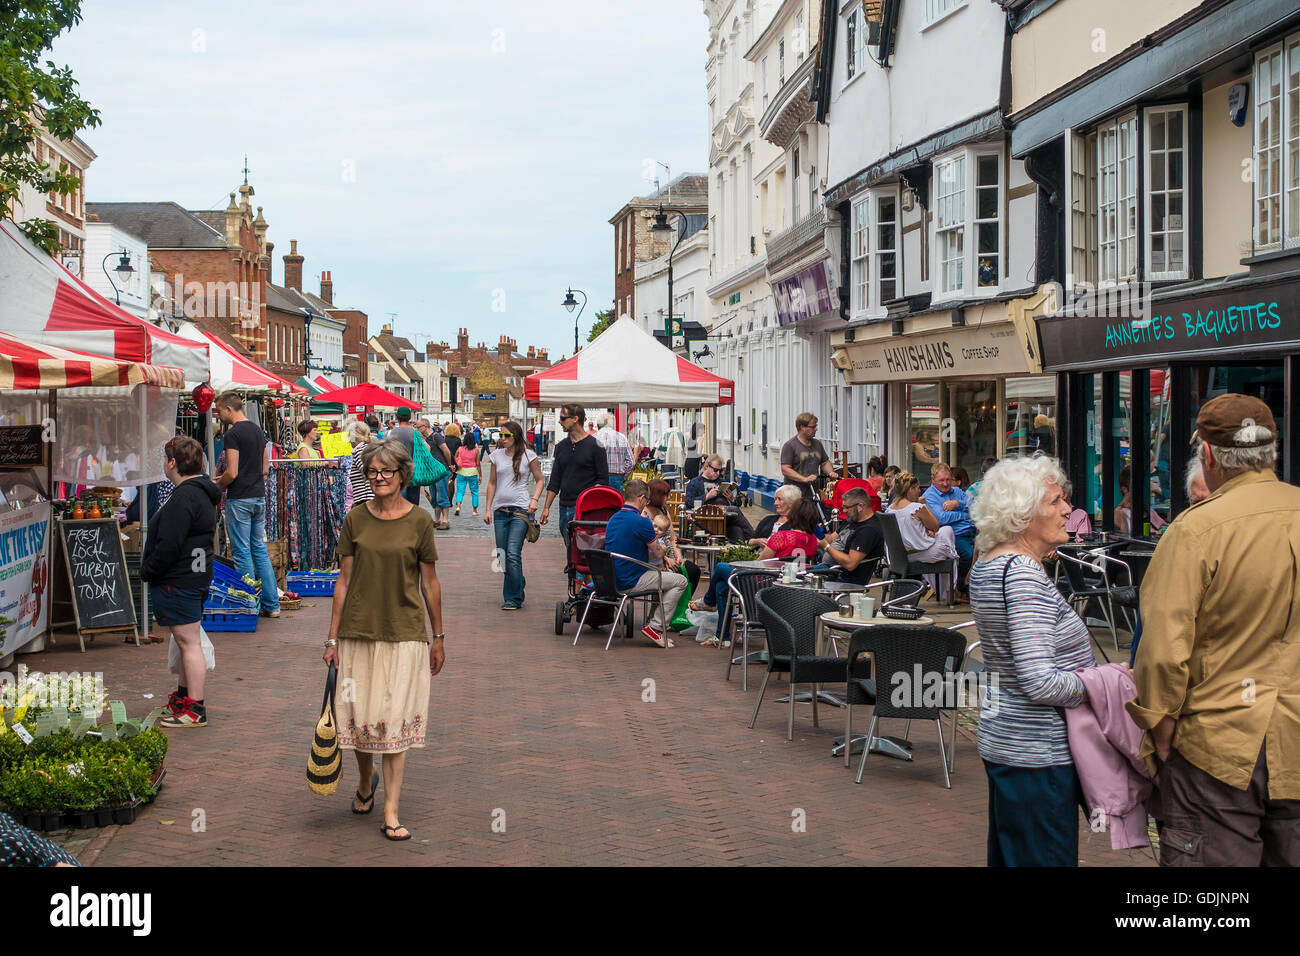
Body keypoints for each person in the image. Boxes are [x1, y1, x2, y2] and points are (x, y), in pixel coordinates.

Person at [1129, 394, 1300, 866]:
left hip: (1217, 741)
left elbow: (1162, 652)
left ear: (1207, 455)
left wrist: (1162, 731)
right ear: (1272, 451)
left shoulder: (1195, 530)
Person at [968, 455, 1095, 867]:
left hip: (1007, 742)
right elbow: (1039, 681)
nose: (1067, 511)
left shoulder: (988, 562)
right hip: (1038, 753)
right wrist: (1103, 682)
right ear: (1022, 514)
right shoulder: (1022, 572)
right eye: (1055, 502)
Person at [324, 438, 444, 842]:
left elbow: (430, 583)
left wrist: (438, 636)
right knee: (360, 721)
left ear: (402, 475)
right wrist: (331, 636)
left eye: (386, 471)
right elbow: (342, 581)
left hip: (405, 634)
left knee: (393, 723)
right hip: (357, 633)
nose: (378, 478)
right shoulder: (355, 519)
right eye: (372, 471)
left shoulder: (420, 521)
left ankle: (391, 810)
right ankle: (364, 779)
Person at [141, 436, 220, 728]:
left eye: (165, 458)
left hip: (181, 579)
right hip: (192, 576)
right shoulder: (198, 493)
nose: (163, 463)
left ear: (173, 463)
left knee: (189, 642)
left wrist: (149, 569)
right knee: (188, 640)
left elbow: (169, 544)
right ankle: (186, 699)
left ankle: (195, 708)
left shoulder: (186, 496)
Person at [213, 392, 279, 618]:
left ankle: (249, 603)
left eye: (219, 410)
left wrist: (217, 484)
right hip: (259, 496)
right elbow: (265, 469)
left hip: (240, 498)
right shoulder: (257, 430)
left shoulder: (233, 435)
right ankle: (272, 605)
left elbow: (231, 472)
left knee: (241, 553)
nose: (218, 415)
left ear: (228, 409)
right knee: (259, 550)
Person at [602, 478, 688, 648]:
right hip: (630, 580)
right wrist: (663, 553)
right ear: (641, 499)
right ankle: (655, 627)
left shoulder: (613, 518)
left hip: (612, 578)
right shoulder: (641, 521)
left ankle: (654, 624)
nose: (646, 503)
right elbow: (657, 551)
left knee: (662, 577)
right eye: (646, 500)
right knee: (680, 581)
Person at [482, 421, 543, 610]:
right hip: (500, 510)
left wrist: (534, 500)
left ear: (515, 436)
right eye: (500, 435)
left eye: (506, 436)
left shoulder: (528, 455)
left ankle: (513, 598)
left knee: (513, 553)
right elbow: (492, 482)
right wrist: (487, 508)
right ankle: (518, 581)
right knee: (502, 556)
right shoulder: (496, 456)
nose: (502, 439)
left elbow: (540, 480)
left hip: (521, 510)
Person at [540, 403, 609, 548]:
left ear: (575, 419)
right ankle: (572, 569)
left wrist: (587, 500)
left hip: (585, 508)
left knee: (583, 549)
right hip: (564, 506)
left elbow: (602, 481)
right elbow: (555, 480)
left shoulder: (596, 446)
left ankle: (579, 571)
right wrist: (546, 508)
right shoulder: (561, 447)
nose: (559, 421)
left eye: (563, 418)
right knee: (570, 548)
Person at [888, 470, 959, 597]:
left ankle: (942, 591)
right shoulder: (916, 508)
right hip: (920, 554)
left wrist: (926, 530)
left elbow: (911, 529)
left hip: (898, 557)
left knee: (947, 548)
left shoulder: (889, 510)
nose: (919, 491)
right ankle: (950, 593)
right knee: (947, 533)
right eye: (916, 488)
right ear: (910, 489)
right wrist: (924, 505)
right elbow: (936, 526)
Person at [641, 479, 701, 606]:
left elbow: (673, 538)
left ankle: (680, 609)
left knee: (694, 570)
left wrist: (678, 556)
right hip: (656, 560)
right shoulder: (643, 514)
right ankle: (665, 612)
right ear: (657, 496)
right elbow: (646, 545)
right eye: (666, 495)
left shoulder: (664, 512)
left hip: (671, 557)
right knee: (675, 576)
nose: (668, 498)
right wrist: (666, 558)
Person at [923, 462, 976, 602]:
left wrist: (957, 504)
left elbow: (974, 507)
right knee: (969, 554)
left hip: (972, 531)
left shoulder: (957, 491)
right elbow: (942, 519)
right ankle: (960, 587)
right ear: (933, 479)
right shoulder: (930, 496)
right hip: (953, 536)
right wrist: (965, 515)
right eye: (941, 480)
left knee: (990, 552)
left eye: (948, 479)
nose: (946, 484)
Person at [820, 487, 884, 585]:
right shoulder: (853, 519)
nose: (843, 511)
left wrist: (826, 546)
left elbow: (850, 564)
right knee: (797, 569)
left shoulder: (868, 530)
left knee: (798, 576)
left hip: (842, 578)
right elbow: (832, 538)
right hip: (829, 571)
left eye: (846, 507)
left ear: (860, 506)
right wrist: (815, 534)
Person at [684, 454, 755, 542]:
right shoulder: (695, 482)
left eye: (720, 471)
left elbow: (737, 504)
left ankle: (751, 547)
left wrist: (731, 499)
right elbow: (688, 502)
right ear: (706, 467)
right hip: (705, 519)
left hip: (725, 520)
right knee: (734, 510)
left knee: (738, 531)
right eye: (715, 470)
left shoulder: (721, 482)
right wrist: (706, 497)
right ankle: (755, 539)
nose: (718, 473)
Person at [780, 412, 838, 501]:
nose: (816, 429)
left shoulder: (817, 444)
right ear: (802, 427)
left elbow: (824, 462)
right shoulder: (790, 446)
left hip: (813, 494)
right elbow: (785, 469)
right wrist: (804, 479)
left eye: (816, 426)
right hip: (794, 496)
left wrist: (831, 472)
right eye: (813, 427)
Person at [416, 417, 453, 530]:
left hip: (441, 470)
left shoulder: (436, 436)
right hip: (432, 472)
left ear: (425, 427)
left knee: (442, 495)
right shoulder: (426, 439)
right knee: (434, 497)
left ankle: (445, 520)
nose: (417, 429)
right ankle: (436, 519)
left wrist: (449, 465)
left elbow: (446, 450)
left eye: (418, 427)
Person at [1114, 467, 1168, 536]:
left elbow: (1165, 528)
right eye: (1138, 486)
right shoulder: (1120, 512)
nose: (1144, 490)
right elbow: (1129, 539)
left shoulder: (1148, 511)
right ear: (1125, 489)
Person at [386, 406, 421, 506]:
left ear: (397, 418)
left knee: (400, 505)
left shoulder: (390, 433)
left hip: (397, 474)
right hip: (414, 473)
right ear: (410, 418)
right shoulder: (415, 433)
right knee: (413, 507)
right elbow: (427, 448)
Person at [593, 412, 634, 492]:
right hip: (617, 479)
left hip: (598, 480)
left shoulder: (593, 438)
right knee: (616, 503)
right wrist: (623, 477)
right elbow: (631, 462)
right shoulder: (622, 437)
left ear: (598, 425)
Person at [345, 420, 374, 511]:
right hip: (367, 499)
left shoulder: (360, 451)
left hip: (366, 500)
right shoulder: (366, 448)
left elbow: (369, 475)